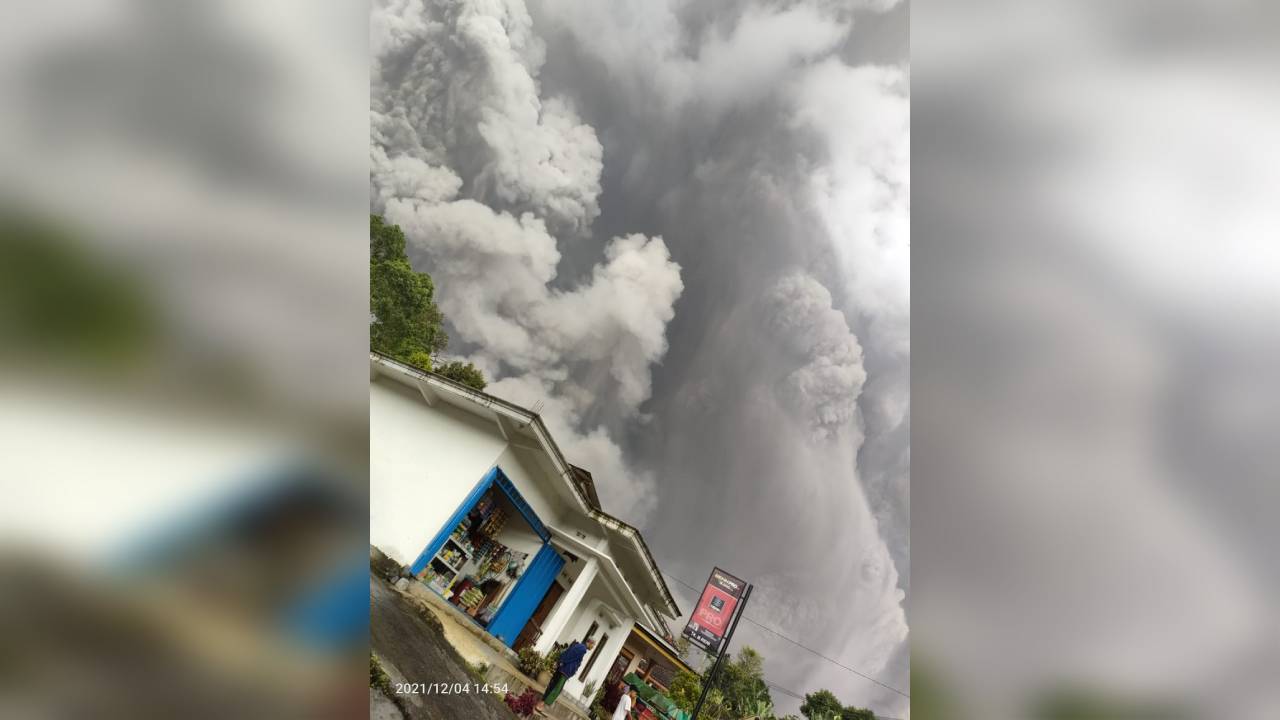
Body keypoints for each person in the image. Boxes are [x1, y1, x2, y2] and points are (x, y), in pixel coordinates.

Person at [539, 637, 595, 709]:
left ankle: (542, 703)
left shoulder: (580, 647)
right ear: (589, 643)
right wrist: (562, 662)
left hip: (564, 670)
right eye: (593, 645)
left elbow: (570, 654)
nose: (593, 647)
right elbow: (570, 655)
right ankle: (541, 704)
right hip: (564, 671)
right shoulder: (582, 648)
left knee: (554, 686)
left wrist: (561, 662)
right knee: (555, 688)